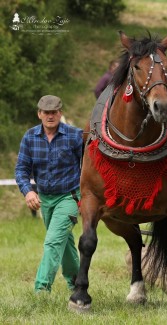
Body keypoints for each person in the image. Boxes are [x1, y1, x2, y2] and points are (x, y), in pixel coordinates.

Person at [15, 95, 83, 293]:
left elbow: (90, 165)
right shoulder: (30, 137)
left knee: (53, 241)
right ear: (39, 114)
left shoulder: (75, 136)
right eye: (46, 112)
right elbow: (21, 169)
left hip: (69, 197)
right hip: (44, 199)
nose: (50, 116)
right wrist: (28, 192)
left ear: (60, 113)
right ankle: (77, 284)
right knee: (65, 242)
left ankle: (41, 290)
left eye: (54, 112)